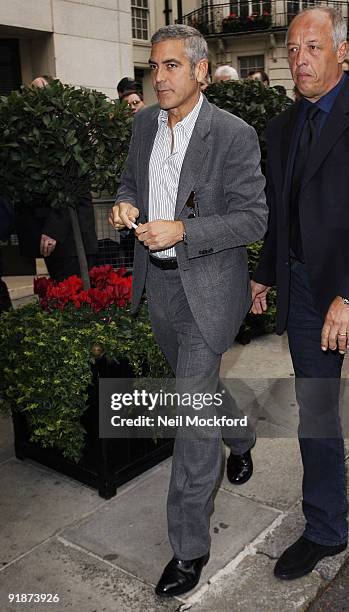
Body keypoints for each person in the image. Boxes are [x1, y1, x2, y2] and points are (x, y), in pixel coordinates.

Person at [109, 24, 267, 597]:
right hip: (159, 288)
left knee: (191, 420)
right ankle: (243, 437)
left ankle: (187, 549)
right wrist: (124, 203)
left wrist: (186, 230)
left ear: (201, 70)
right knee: (192, 390)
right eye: (156, 67)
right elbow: (130, 181)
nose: (161, 78)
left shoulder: (233, 135)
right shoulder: (144, 123)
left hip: (209, 289)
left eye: (172, 66)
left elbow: (254, 219)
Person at [251, 7, 349, 580]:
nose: (299, 60)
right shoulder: (283, 126)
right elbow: (281, 213)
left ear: (341, 50)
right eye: (292, 50)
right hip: (307, 296)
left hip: (345, 289)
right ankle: (326, 528)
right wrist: (267, 272)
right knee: (316, 413)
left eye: (311, 48)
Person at [16, 76, 98, 282]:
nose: (36, 98)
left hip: (70, 239)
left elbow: (73, 186)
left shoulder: (69, 130)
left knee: (75, 300)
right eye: (32, 93)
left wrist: (53, 231)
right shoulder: (36, 132)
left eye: (41, 92)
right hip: (53, 239)